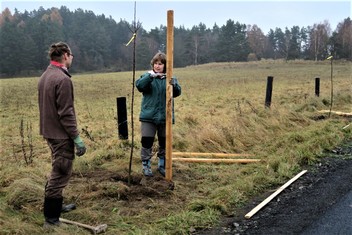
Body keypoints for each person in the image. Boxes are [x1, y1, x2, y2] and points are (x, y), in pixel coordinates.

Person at [38, 42, 86, 227]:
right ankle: (51, 219)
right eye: (71, 55)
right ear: (65, 55)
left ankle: (55, 207)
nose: (72, 58)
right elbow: (66, 113)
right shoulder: (63, 79)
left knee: (57, 168)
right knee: (61, 172)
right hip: (60, 135)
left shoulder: (46, 75)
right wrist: (77, 138)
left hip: (49, 132)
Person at [136, 52, 181, 177]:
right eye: (156, 63)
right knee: (146, 141)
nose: (157, 66)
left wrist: (174, 84)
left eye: (160, 64)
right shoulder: (147, 77)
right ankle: (146, 165)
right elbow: (139, 86)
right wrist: (150, 76)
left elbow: (177, 93)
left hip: (165, 116)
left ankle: (162, 165)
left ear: (165, 65)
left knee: (164, 142)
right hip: (148, 116)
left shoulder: (169, 78)